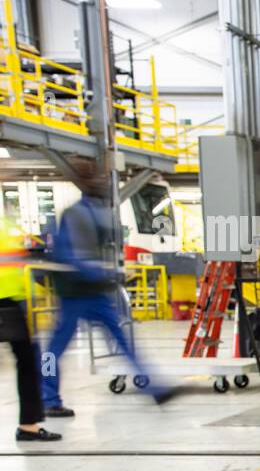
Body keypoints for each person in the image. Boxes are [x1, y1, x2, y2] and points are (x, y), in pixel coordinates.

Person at [39, 158, 172, 415]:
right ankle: (47, 397)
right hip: (73, 294)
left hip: (96, 291)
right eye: (96, 176)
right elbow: (71, 255)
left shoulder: (98, 211)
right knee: (53, 351)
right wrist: (105, 271)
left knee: (124, 338)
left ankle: (154, 388)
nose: (102, 181)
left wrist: (109, 272)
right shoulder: (75, 214)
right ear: (84, 181)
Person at [1, 215, 60, 442]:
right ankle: (29, 423)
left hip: (12, 301)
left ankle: (30, 423)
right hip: (6, 302)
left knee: (31, 359)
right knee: (29, 361)